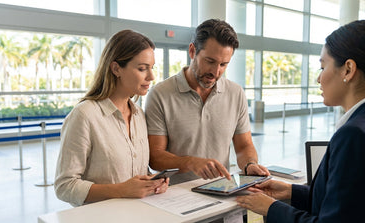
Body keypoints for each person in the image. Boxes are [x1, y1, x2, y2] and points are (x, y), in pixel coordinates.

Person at [236, 20, 365, 222]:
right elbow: (351, 204)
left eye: (323, 67)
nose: (318, 79)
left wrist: (272, 208)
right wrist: (290, 191)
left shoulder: (356, 136)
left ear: (348, 69)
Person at [145, 19, 269, 185]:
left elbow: (244, 146)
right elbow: (155, 157)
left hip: (221, 192)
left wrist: (250, 164)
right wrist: (190, 162)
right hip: (176, 196)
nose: (216, 72)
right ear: (192, 51)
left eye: (223, 64)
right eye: (210, 61)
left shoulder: (236, 93)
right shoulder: (160, 94)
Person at [54, 30, 169, 207]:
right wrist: (121, 190)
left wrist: (153, 181)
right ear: (116, 69)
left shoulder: (139, 115)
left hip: (137, 214)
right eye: (142, 68)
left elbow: (135, 172)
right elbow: (64, 186)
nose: (151, 77)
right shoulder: (84, 115)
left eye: (151, 68)